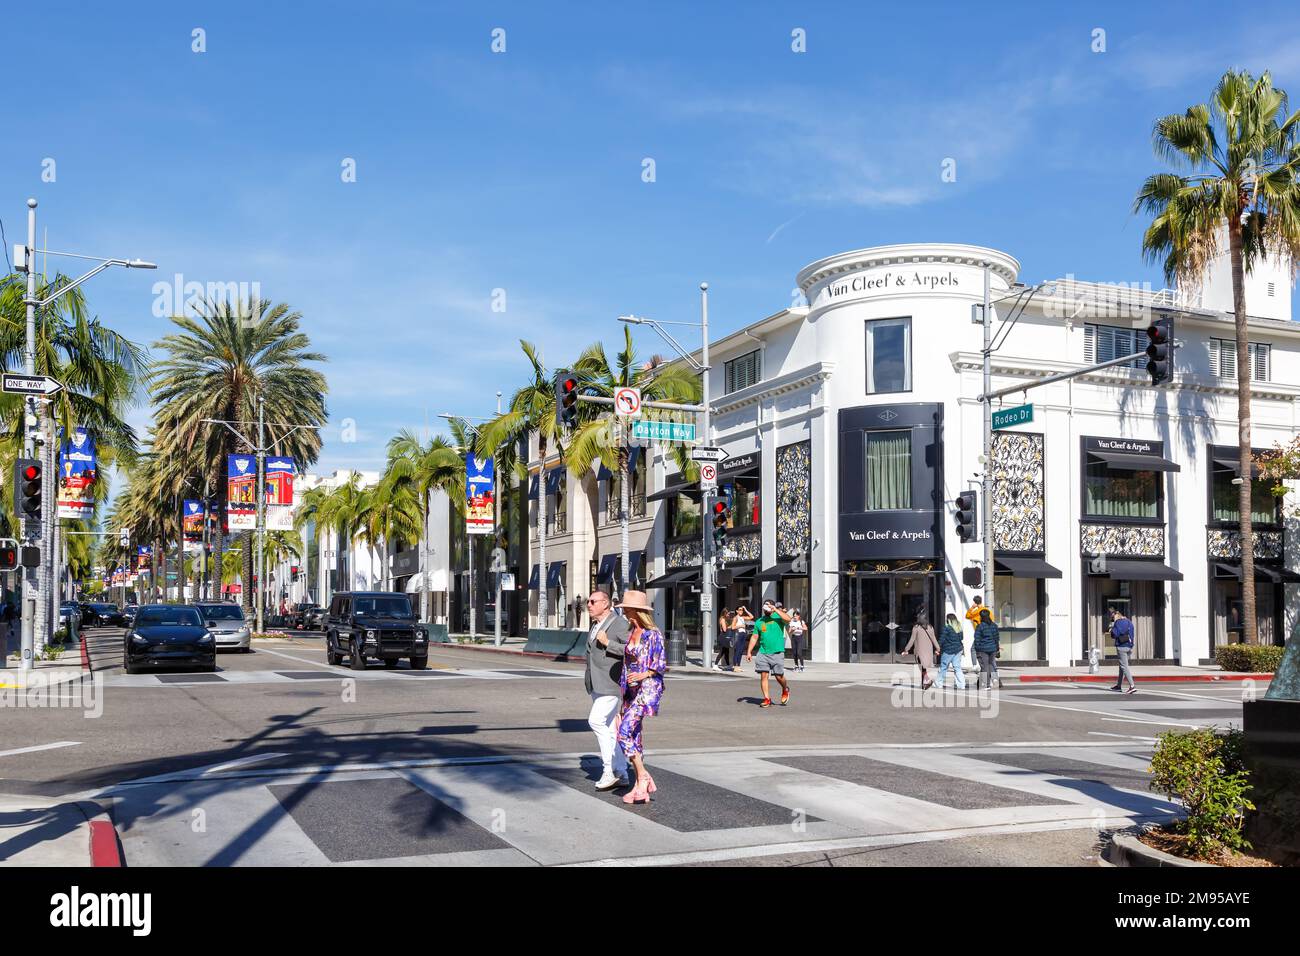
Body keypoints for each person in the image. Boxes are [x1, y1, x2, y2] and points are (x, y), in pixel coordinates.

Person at [614, 590, 667, 804]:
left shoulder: (652, 633)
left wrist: (644, 674)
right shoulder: (631, 632)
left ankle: (643, 774)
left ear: (636, 610)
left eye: (626, 608)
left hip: (647, 689)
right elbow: (627, 663)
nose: (624, 612)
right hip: (630, 691)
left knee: (624, 733)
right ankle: (639, 787)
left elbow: (661, 664)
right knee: (635, 736)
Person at [583, 589, 630, 790]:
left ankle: (608, 771)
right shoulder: (595, 625)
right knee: (609, 729)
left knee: (596, 721)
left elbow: (631, 650)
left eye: (593, 601)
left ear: (605, 603)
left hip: (611, 684)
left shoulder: (619, 623)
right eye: (588, 601)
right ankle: (622, 771)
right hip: (596, 683)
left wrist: (607, 643)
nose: (589, 605)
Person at [746, 599, 791, 707]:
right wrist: (749, 652)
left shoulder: (778, 618)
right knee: (764, 675)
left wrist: (775, 609)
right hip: (763, 652)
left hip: (777, 652)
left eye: (769, 605)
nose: (766, 607)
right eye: (765, 605)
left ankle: (785, 689)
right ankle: (767, 699)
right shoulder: (759, 621)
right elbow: (754, 637)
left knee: (779, 676)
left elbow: (788, 619)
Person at [903, 610, 941, 689]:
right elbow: (934, 639)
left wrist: (906, 649)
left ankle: (926, 682)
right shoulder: (930, 627)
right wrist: (938, 648)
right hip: (928, 651)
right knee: (923, 668)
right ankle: (925, 682)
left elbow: (912, 640)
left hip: (920, 651)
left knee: (922, 667)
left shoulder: (916, 628)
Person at [1108, 607, 1137, 694]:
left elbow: (1115, 634)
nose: (1113, 619)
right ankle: (1118, 686)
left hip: (1121, 647)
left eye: (1113, 617)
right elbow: (1132, 633)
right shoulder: (1129, 622)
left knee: (1124, 667)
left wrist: (1112, 629)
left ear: (1116, 616)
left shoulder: (1118, 622)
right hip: (1129, 646)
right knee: (1122, 666)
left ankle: (1132, 686)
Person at [934, 613, 967, 689]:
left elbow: (942, 639)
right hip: (958, 649)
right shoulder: (959, 627)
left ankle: (939, 683)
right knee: (957, 667)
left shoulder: (947, 628)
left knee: (943, 667)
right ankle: (961, 684)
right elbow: (961, 638)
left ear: (948, 620)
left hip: (948, 650)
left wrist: (937, 648)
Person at [973, 609, 1001, 690]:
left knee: (985, 667)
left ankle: (985, 684)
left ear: (981, 616)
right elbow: (997, 638)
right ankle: (996, 682)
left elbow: (977, 638)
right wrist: (997, 648)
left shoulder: (980, 626)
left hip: (983, 649)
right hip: (992, 648)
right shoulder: (994, 625)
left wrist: (977, 648)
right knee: (991, 665)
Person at [731, 605, 753, 671]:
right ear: (736, 611)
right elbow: (732, 627)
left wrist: (745, 610)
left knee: (741, 651)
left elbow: (751, 617)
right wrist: (741, 626)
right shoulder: (736, 618)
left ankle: (739, 666)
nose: (741, 611)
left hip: (743, 634)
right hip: (739, 634)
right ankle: (735, 666)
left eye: (742, 610)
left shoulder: (742, 617)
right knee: (737, 650)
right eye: (740, 610)